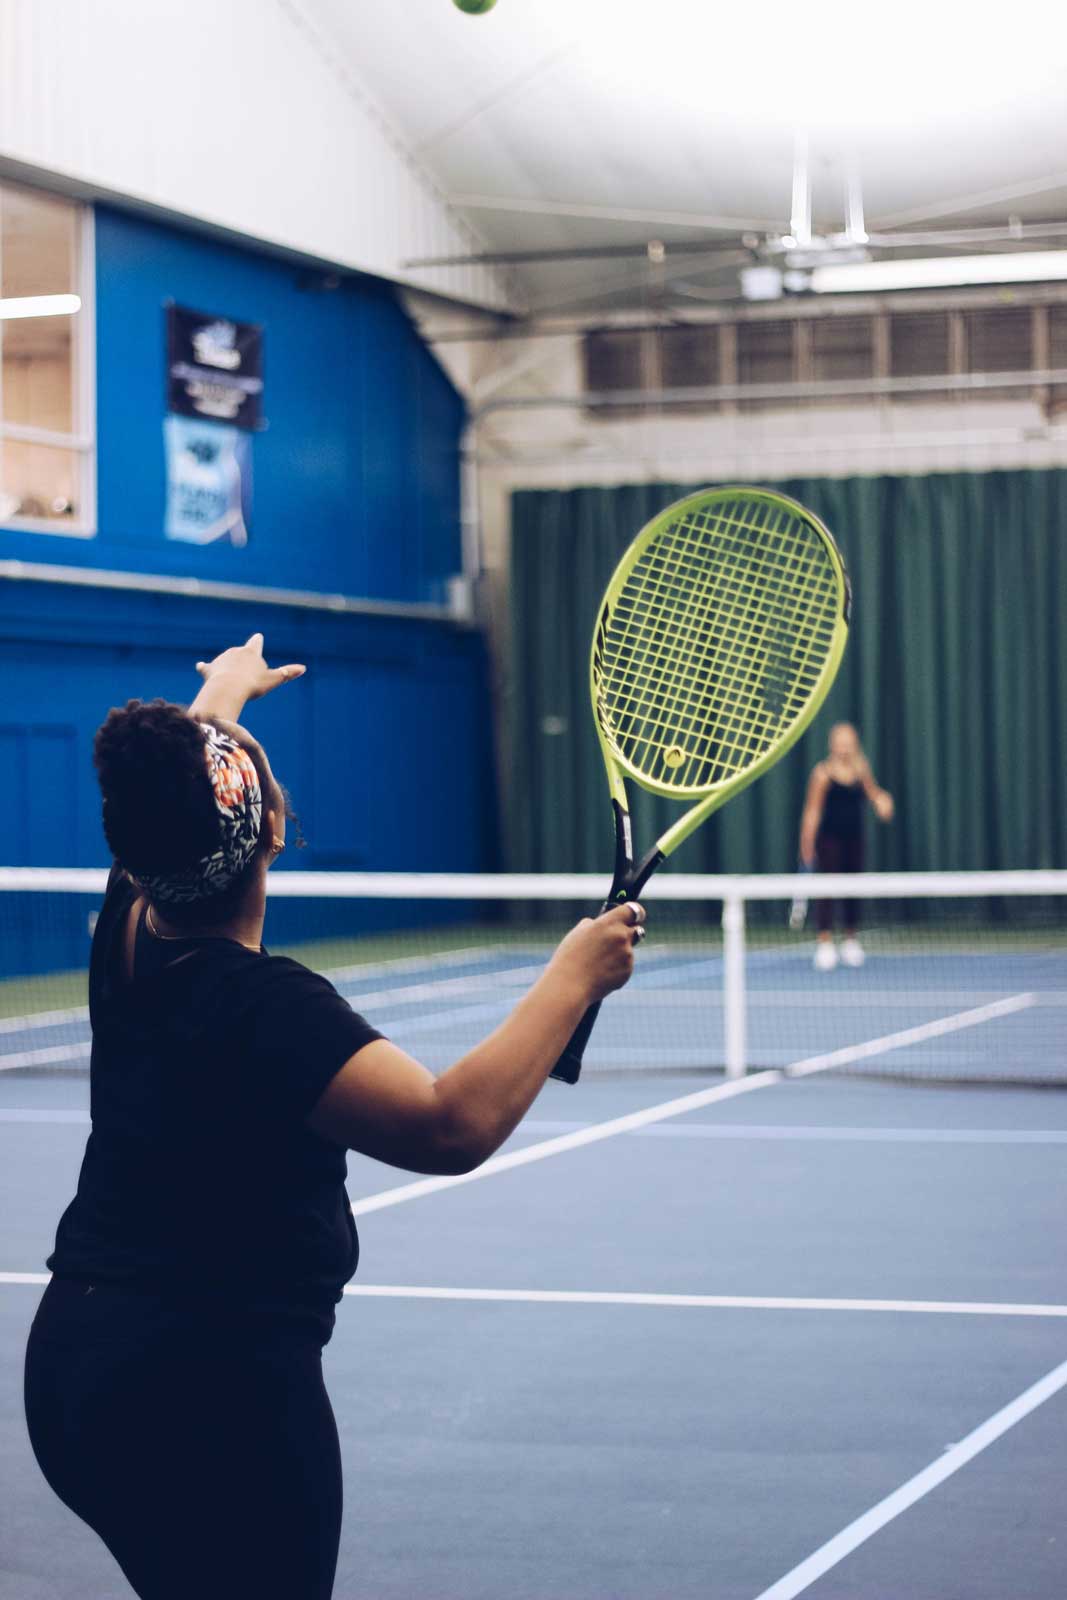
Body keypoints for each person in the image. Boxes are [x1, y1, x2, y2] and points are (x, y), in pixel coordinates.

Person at [23, 634, 644, 1600]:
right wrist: (573, 976)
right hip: (209, 1398)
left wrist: (223, 692)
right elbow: (448, 1126)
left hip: (75, 1373)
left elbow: (184, 789)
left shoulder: (131, 924)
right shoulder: (268, 1008)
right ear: (272, 827)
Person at [798, 722, 893, 972]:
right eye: (840, 742)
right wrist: (807, 842)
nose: (844, 748)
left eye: (848, 743)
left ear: (855, 745)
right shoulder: (822, 773)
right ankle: (825, 943)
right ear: (832, 745)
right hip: (829, 839)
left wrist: (883, 801)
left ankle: (851, 940)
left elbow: (875, 794)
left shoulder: (861, 769)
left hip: (855, 838)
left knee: (853, 889)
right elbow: (812, 811)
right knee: (827, 890)